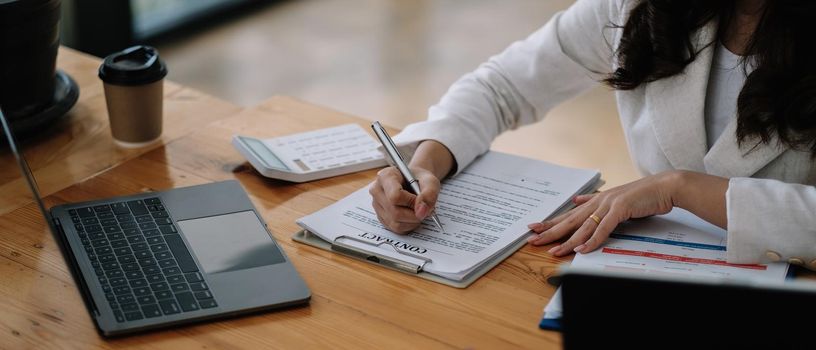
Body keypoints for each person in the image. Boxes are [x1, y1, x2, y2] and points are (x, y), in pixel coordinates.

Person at [369, 0, 816, 269]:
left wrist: (682, 188)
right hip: (652, 274)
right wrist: (426, 162)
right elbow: (502, 86)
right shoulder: (638, 6)